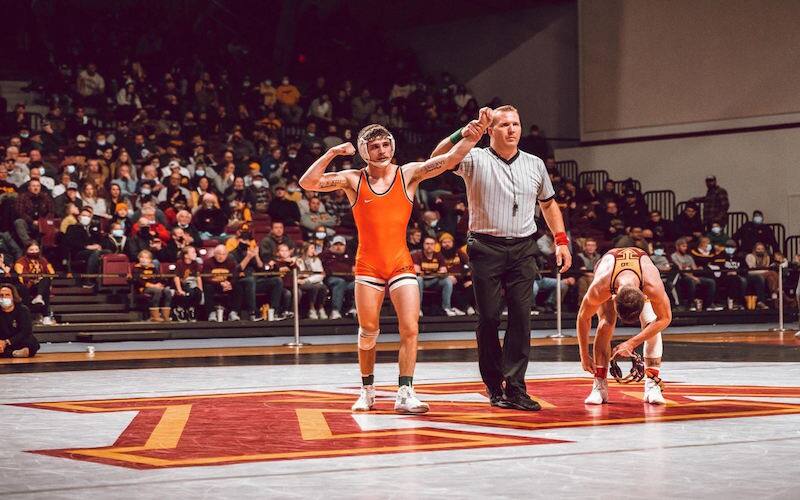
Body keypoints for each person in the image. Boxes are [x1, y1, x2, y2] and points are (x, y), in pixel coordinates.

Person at [299, 112, 489, 414]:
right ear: (364, 151)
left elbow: (449, 160)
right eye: (374, 146)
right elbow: (307, 182)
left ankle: (405, 390)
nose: (382, 150)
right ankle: (367, 390)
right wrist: (333, 152)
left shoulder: (409, 173)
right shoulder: (352, 179)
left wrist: (470, 134)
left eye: (386, 144)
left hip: (400, 263)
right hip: (368, 266)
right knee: (368, 330)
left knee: (410, 328)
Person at [430, 105, 571, 411]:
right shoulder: (474, 157)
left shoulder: (534, 164)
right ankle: (495, 386)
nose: (512, 129)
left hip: (523, 248)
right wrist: (464, 133)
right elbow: (436, 159)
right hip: (485, 247)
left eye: (516, 124)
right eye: (504, 124)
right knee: (490, 318)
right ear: (490, 130)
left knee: (521, 317)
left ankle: (517, 387)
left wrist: (561, 241)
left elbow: (548, 204)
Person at [576, 247, 672, 405]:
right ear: (613, 300)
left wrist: (632, 343)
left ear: (644, 297)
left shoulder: (651, 285)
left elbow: (666, 318)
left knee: (650, 320)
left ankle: (652, 383)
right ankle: (599, 384)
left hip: (638, 273)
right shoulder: (601, 287)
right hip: (610, 270)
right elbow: (583, 317)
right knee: (606, 322)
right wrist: (584, 355)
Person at [413, 236, 462, 316]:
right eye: (427, 244)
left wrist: (437, 273)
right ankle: (418, 309)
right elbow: (417, 272)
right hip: (423, 282)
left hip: (434, 281)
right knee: (418, 279)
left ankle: (447, 308)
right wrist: (435, 273)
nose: (429, 246)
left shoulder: (438, 255)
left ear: (435, 245)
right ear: (423, 245)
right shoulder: (417, 255)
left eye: (432, 244)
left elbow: (443, 271)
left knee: (447, 280)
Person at [14, 242, 56, 325]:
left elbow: (51, 272)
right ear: (26, 250)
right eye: (31, 250)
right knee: (45, 288)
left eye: (36, 249)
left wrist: (41, 280)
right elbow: (21, 277)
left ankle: (39, 297)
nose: (34, 252)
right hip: (27, 286)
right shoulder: (20, 262)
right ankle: (45, 315)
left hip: (40, 286)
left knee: (46, 280)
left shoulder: (43, 260)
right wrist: (33, 280)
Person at [671, 237, 717, 311]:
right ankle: (690, 304)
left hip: (693, 276)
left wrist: (699, 269)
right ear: (677, 247)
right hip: (681, 278)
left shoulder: (688, 257)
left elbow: (694, 268)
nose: (685, 248)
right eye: (683, 246)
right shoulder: (674, 256)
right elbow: (681, 270)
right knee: (690, 281)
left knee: (711, 282)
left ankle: (708, 304)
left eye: (686, 246)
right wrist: (694, 278)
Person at [320, 235, 355, 319]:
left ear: (345, 246)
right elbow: (330, 269)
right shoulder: (325, 255)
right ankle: (335, 311)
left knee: (359, 283)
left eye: (341, 245)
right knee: (340, 282)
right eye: (336, 245)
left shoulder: (349, 256)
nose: (338, 247)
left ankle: (354, 309)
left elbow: (354, 269)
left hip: (348, 280)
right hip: (331, 279)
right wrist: (347, 269)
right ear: (331, 246)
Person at [203, 245, 241, 321]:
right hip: (214, 285)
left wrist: (230, 283)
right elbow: (206, 278)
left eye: (223, 254)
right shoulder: (208, 262)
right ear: (214, 254)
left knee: (238, 287)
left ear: (227, 255)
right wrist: (220, 283)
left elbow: (235, 276)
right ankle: (211, 313)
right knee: (207, 287)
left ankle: (233, 312)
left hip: (226, 285)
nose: (221, 256)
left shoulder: (231, 262)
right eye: (219, 254)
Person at [133, 249, 173, 322]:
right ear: (138, 258)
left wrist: (161, 284)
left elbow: (159, 278)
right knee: (157, 291)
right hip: (143, 288)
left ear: (150, 260)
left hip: (155, 286)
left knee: (167, 291)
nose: (144, 260)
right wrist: (153, 286)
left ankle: (165, 315)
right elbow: (138, 281)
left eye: (146, 258)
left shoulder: (153, 268)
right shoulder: (136, 268)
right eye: (142, 257)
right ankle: (154, 315)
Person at [0, 284, 39, 358]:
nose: (4, 297)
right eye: (1, 295)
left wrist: (7, 342)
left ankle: (12, 353)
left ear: (13, 297)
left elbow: (25, 331)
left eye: (7, 295)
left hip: (16, 340)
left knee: (32, 342)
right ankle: (14, 353)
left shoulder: (22, 310)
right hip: (1, 341)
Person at [296, 243, 329, 319]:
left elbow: (321, 275)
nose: (313, 250)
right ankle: (312, 308)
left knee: (323, 287)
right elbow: (299, 274)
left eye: (314, 248)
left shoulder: (316, 260)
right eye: (311, 248)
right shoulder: (299, 260)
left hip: (312, 281)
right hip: (301, 283)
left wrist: (307, 279)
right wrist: (303, 278)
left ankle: (321, 308)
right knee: (314, 287)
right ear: (305, 249)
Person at [173, 246, 203, 322]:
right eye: (193, 252)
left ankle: (191, 308)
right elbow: (176, 277)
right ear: (186, 255)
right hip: (182, 283)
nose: (195, 254)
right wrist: (179, 290)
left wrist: (200, 289)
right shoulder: (180, 263)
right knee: (190, 292)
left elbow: (198, 277)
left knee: (198, 292)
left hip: (192, 283)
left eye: (195, 252)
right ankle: (180, 308)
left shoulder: (195, 263)